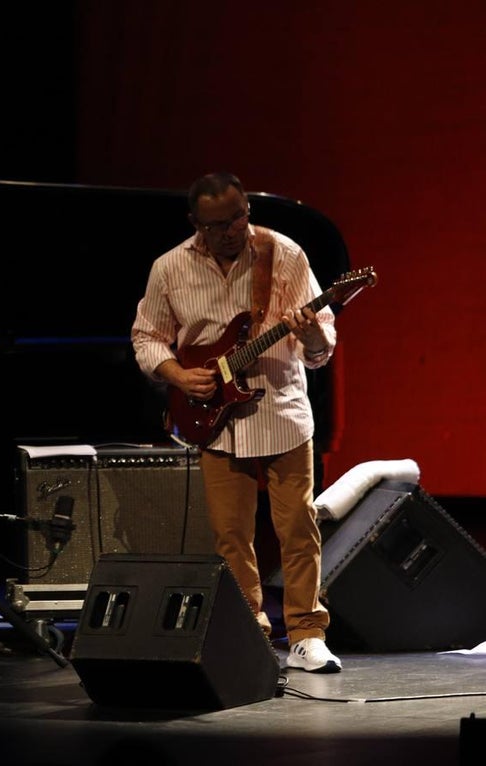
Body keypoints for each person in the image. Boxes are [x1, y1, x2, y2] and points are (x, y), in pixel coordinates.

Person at [131, 172, 341, 673]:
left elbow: (322, 347)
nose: (233, 231)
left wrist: (311, 335)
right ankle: (249, 629)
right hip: (214, 421)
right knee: (231, 536)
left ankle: (307, 633)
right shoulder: (169, 268)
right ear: (195, 223)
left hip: (282, 412)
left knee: (297, 528)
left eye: (240, 217)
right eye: (218, 224)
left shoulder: (283, 254)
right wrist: (180, 376)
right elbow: (147, 338)